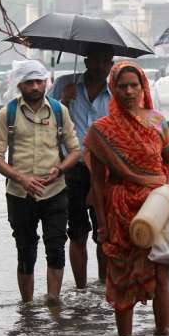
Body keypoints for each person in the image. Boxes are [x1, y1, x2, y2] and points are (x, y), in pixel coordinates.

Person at [84, 62, 169, 336]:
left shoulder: (157, 121)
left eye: (133, 85)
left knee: (161, 274)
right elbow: (98, 183)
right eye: (122, 86)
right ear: (113, 89)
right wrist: (102, 227)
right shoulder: (102, 130)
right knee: (122, 277)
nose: (128, 91)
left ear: (143, 87)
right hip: (120, 211)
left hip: (156, 208)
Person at [0, 60, 82, 304]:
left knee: (56, 248)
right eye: (29, 82)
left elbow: (74, 150)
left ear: (45, 83)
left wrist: (59, 169)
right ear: (20, 85)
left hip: (55, 191)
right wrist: (22, 178)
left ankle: (53, 302)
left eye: (39, 82)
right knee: (25, 251)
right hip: (20, 195)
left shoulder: (59, 111)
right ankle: (27, 307)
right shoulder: (6, 114)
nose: (34, 87)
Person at [51, 44, 115, 289]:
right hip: (72, 168)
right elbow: (47, 121)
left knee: (104, 233)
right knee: (76, 232)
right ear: (86, 61)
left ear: (111, 64)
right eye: (96, 61)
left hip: (105, 169)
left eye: (105, 62)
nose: (100, 67)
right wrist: (63, 101)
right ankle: (81, 289)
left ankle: (103, 286)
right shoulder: (65, 85)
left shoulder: (115, 92)